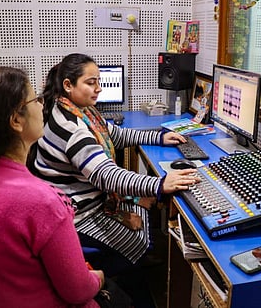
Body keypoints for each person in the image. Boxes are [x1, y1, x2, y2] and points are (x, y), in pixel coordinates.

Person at [0, 66, 104, 307]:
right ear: (16, 120)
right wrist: (97, 279)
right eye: (36, 99)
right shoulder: (40, 202)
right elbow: (78, 291)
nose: (42, 105)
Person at [31, 53, 199, 272]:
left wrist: (158, 137)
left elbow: (115, 135)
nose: (98, 88)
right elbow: (106, 176)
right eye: (91, 83)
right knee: (142, 233)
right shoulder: (71, 127)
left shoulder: (79, 110)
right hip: (78, 215)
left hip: (82, 200)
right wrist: (159, 184)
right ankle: (120, 276)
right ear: (68, 85)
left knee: (144, 206)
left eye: (98, 81)